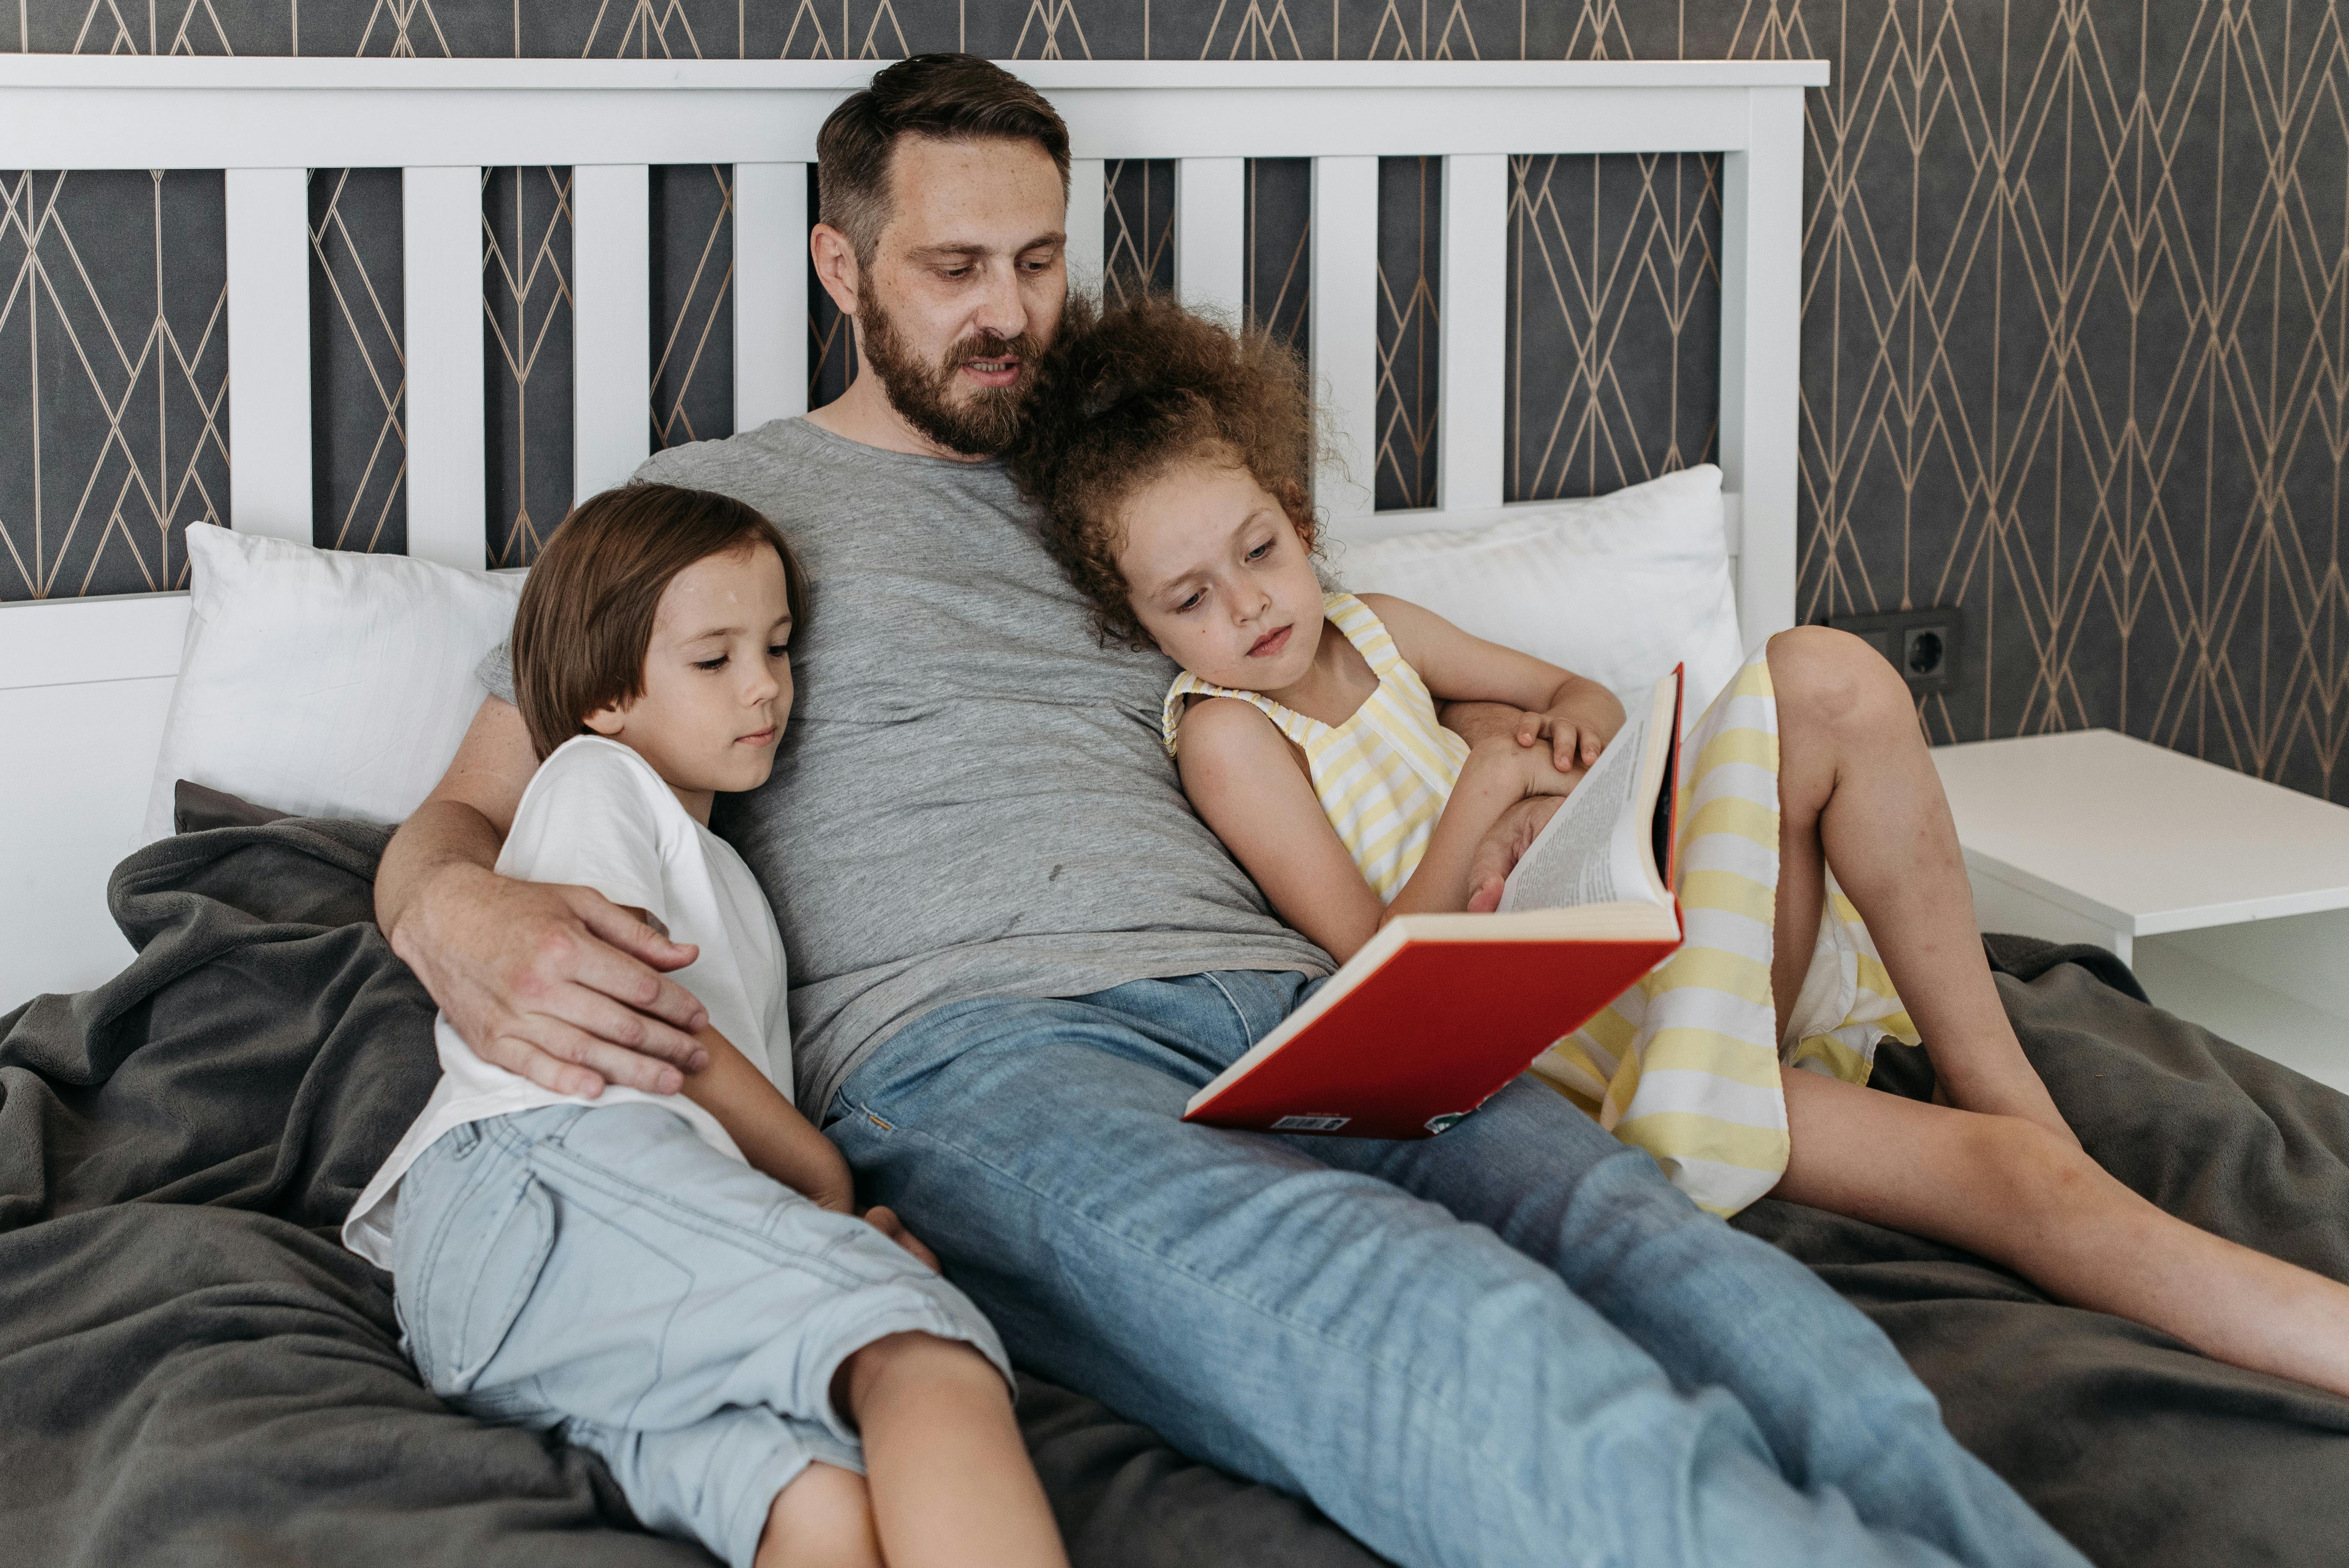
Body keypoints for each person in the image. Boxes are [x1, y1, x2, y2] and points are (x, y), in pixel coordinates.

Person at [375, 52, 2091, 1568]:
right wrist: (461, 914)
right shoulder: (709, 520)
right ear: (840, 266)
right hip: (984, 1054)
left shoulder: (1135, 493)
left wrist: (1538, 754)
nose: (1007, 313)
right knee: (1450, 1333)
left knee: (1730, 1298)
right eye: (955, 267)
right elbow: (465, 814)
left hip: (1317, 1010)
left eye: (1039, 263)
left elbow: (1371, 666)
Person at [1009, 291, 2349, 1399]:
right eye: (1190, 596)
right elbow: (1375, 974)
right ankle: (2069, 1183)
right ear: (1139, 625)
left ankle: (1996, 1076)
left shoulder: (1376, 625)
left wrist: (1555, 772)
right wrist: (1481, 799)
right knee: (2013, 1187)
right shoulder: (1230, 738)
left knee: (1822, 673)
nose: (1247, 605)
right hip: (1592, 1067)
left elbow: (1579, 696)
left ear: (1298, 518)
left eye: (1259, 550)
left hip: (1661, 960)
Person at [345, 484, 1069, 1568]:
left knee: (818, 1498)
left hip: (513, 1289)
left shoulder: (725, 870)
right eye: (714, 659)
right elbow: (641, 1018)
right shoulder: (598, 782)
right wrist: (825, 1191)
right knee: (922, 1348)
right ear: (602, 697)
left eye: (777, 649)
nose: (765, 688)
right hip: (546, 1169)